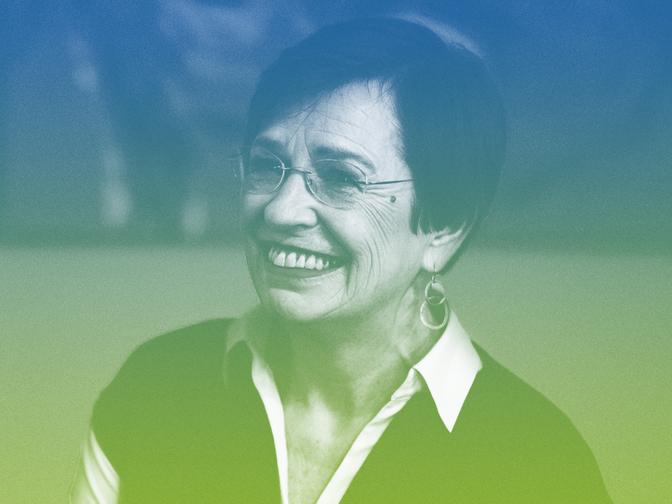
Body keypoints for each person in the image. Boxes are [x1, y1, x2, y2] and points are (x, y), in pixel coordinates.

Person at [72, 17, 611, 503]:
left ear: (442, 227)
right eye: (267, 166)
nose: (281, 211)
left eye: (340, 178)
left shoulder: (537, 462)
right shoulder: (158, 385)